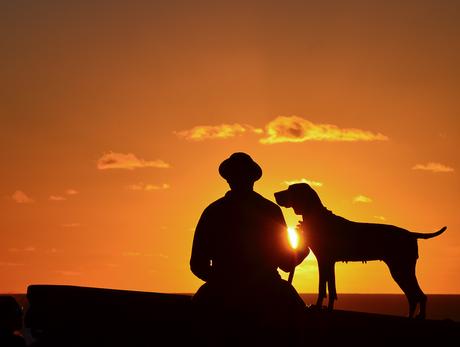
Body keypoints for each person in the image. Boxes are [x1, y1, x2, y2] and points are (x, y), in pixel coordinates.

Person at [190, 152, 309, 345]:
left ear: (228, 179)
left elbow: (197, 265)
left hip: (220, 292)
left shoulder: (213, 211)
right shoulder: (270, 210)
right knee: (300, 324)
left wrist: (222, 282)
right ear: (253, 179)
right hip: (269, 291)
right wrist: (304, 247)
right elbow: (286, 263)